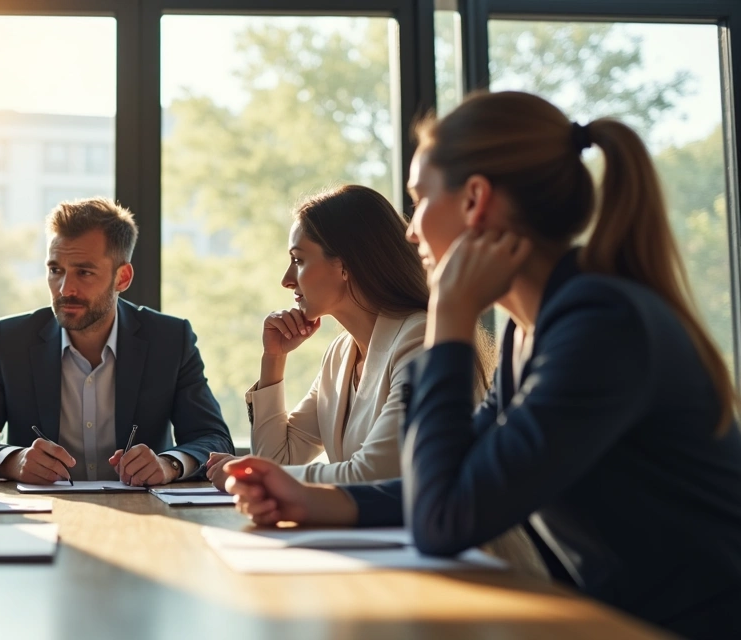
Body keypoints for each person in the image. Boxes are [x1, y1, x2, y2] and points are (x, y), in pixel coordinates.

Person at [224, 90, 741, 638]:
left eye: (421, 200)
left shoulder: (600, 326)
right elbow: (456, 472)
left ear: (475, 201)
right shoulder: (534, 326)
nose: (411, 228)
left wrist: (449, 317)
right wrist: (315, 500)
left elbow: (443, 517)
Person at [0, 197, 234, 485]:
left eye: (84, 272)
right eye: (56, 270)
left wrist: (168, 465)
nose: (65, 288)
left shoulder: (169, 340)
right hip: (40, 518)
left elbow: (213, 439)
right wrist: (14, 460)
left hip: (143, 519)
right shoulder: (10, 340)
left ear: (123, 277)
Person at [205, 186, 430, 488]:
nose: (286, 280)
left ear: (346, 265)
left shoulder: (420, 340)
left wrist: (254, 473)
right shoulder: (340, 355)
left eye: (298, 260)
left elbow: (373, 475)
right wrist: (274, 358)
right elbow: (277, 459)